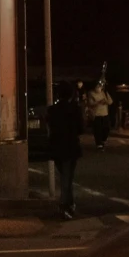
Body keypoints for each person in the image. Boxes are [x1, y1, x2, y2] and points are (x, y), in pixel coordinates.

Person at [45, 79, 84, 220]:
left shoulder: (52, 110)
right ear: (71, 94)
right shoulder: (75, 109)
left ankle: (69, 203)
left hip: (56, 146)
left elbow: (50, 127)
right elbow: (81, 129)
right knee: (67, 177)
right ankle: (64, 205)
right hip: (71, 146)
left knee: (65, 176)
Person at [88, 74, 112, 148]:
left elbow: (110, 101)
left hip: (105, 113)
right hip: (97, 114)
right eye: (97, 86)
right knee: (98, 129)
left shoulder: (104, 92)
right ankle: (99, 143)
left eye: (100, 86)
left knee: (106, 128)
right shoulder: (91, 93)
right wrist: (98, 102)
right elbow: (90, 103)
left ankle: (103, 140)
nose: (99, 88)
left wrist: (106, 101)